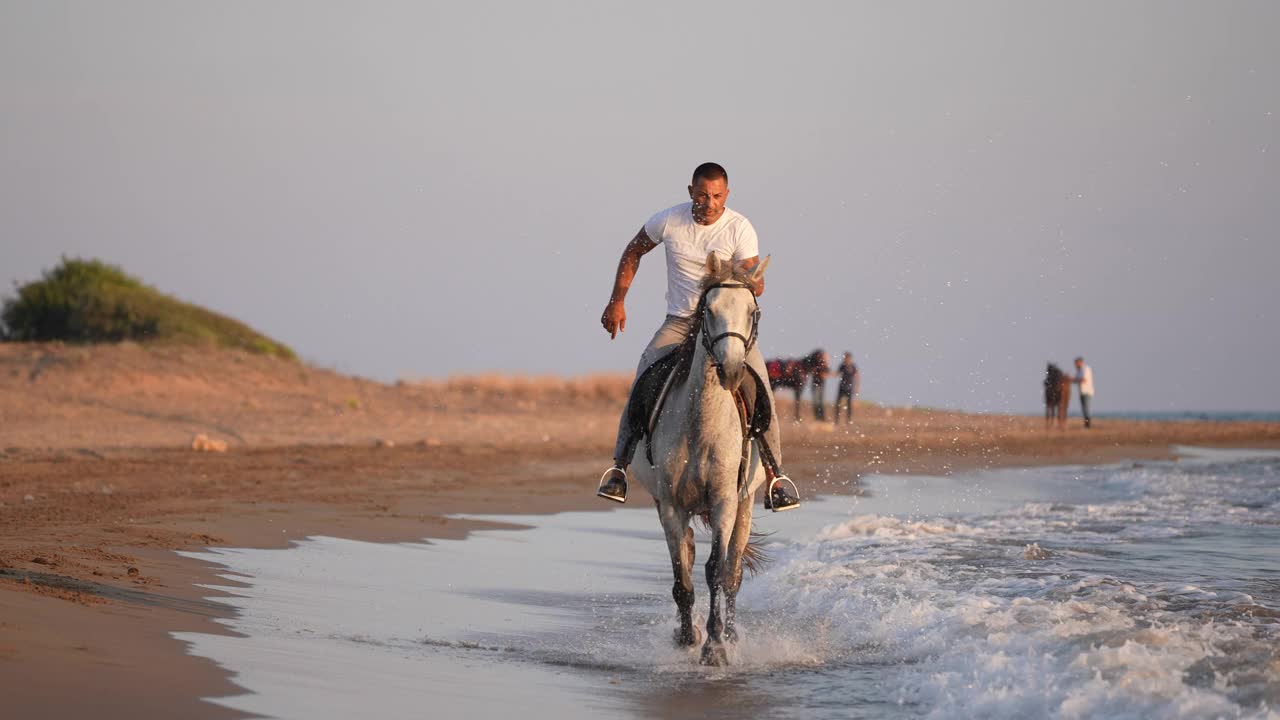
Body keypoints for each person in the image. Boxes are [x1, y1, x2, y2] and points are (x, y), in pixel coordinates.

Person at [595, 162, 800, 512]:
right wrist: (617, 300)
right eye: (703, 195)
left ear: (727, 195)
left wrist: (749, 279)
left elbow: (756, 283)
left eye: (717, 196)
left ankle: (776, 476)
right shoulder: (668, 220)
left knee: (760, 386)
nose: (709, 203)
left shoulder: (739, 227)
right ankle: (619, 467)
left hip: (723, 326)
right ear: (690, 191)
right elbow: (633, 251)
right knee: (643, 377)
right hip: (679, 322)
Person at [834, 352, 859, 424]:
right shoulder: (842, 366)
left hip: (849, 387)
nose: (846, 359)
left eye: (847, 358)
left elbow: (857, 376)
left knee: (849, 405)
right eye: (845, 358)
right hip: (842, 387)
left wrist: (857, 388)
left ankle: (848, 420)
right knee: (838, 404)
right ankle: (837, 420)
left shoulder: (853, 367)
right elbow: (837, 374)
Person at [1072, 356, 1095, 428]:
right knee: (1084, 409)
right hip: (1081, 392)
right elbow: (1075, 380)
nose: (1075, 365)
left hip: (1087, 392)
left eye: (1076, 363)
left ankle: (1088, 425)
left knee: (1087, 409)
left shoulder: (1086, 369)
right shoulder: (1078, 371)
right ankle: (1086, 424)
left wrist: (1074, 380)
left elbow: (1084, 380)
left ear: (1080, 362)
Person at [810, 350, 831, 421]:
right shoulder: (815, 364)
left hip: (821, 385)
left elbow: (827, 373)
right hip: (815, 385)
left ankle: (822, 417)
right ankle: (817, 417)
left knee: (821, 402)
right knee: (816, 401)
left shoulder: (824, 365)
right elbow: (812, 371)